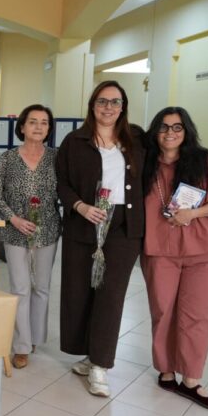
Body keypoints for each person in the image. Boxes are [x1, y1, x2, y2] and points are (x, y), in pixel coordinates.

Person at [55, 80, 145, 397]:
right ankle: (88, 354)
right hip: (84, 223)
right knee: (80, 291)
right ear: (93, 105)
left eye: (115, 102)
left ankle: (100, 365)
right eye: (102, 101)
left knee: (110, 294)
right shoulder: (74, 141)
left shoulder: (136, 140)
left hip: (123, 226)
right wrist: (80, 206)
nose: (109, 107)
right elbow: (62, 183)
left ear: (123, 107)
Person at [141, 107, 208, 410]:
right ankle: (166, 370)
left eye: (177, 127)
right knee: (163, 310)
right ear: (155, 132)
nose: (170, 133)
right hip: (160, 248)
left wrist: (192, 212)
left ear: (186, 131)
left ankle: (192, 379)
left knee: (197, 314)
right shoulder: (143, 165)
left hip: (204, 247)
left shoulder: (204, 161)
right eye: (164, 127)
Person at [0, 104, 61, 369]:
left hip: (48, 230)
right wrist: (14, 219)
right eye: (33, 122)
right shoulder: (8, 158)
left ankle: (35, 338)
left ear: (49, 129)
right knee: (20, 288)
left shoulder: (56, 158)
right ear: (22, 126)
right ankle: (21, 346)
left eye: (44, 122)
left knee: (41, 288)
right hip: (14, 231)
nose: (38, 127)